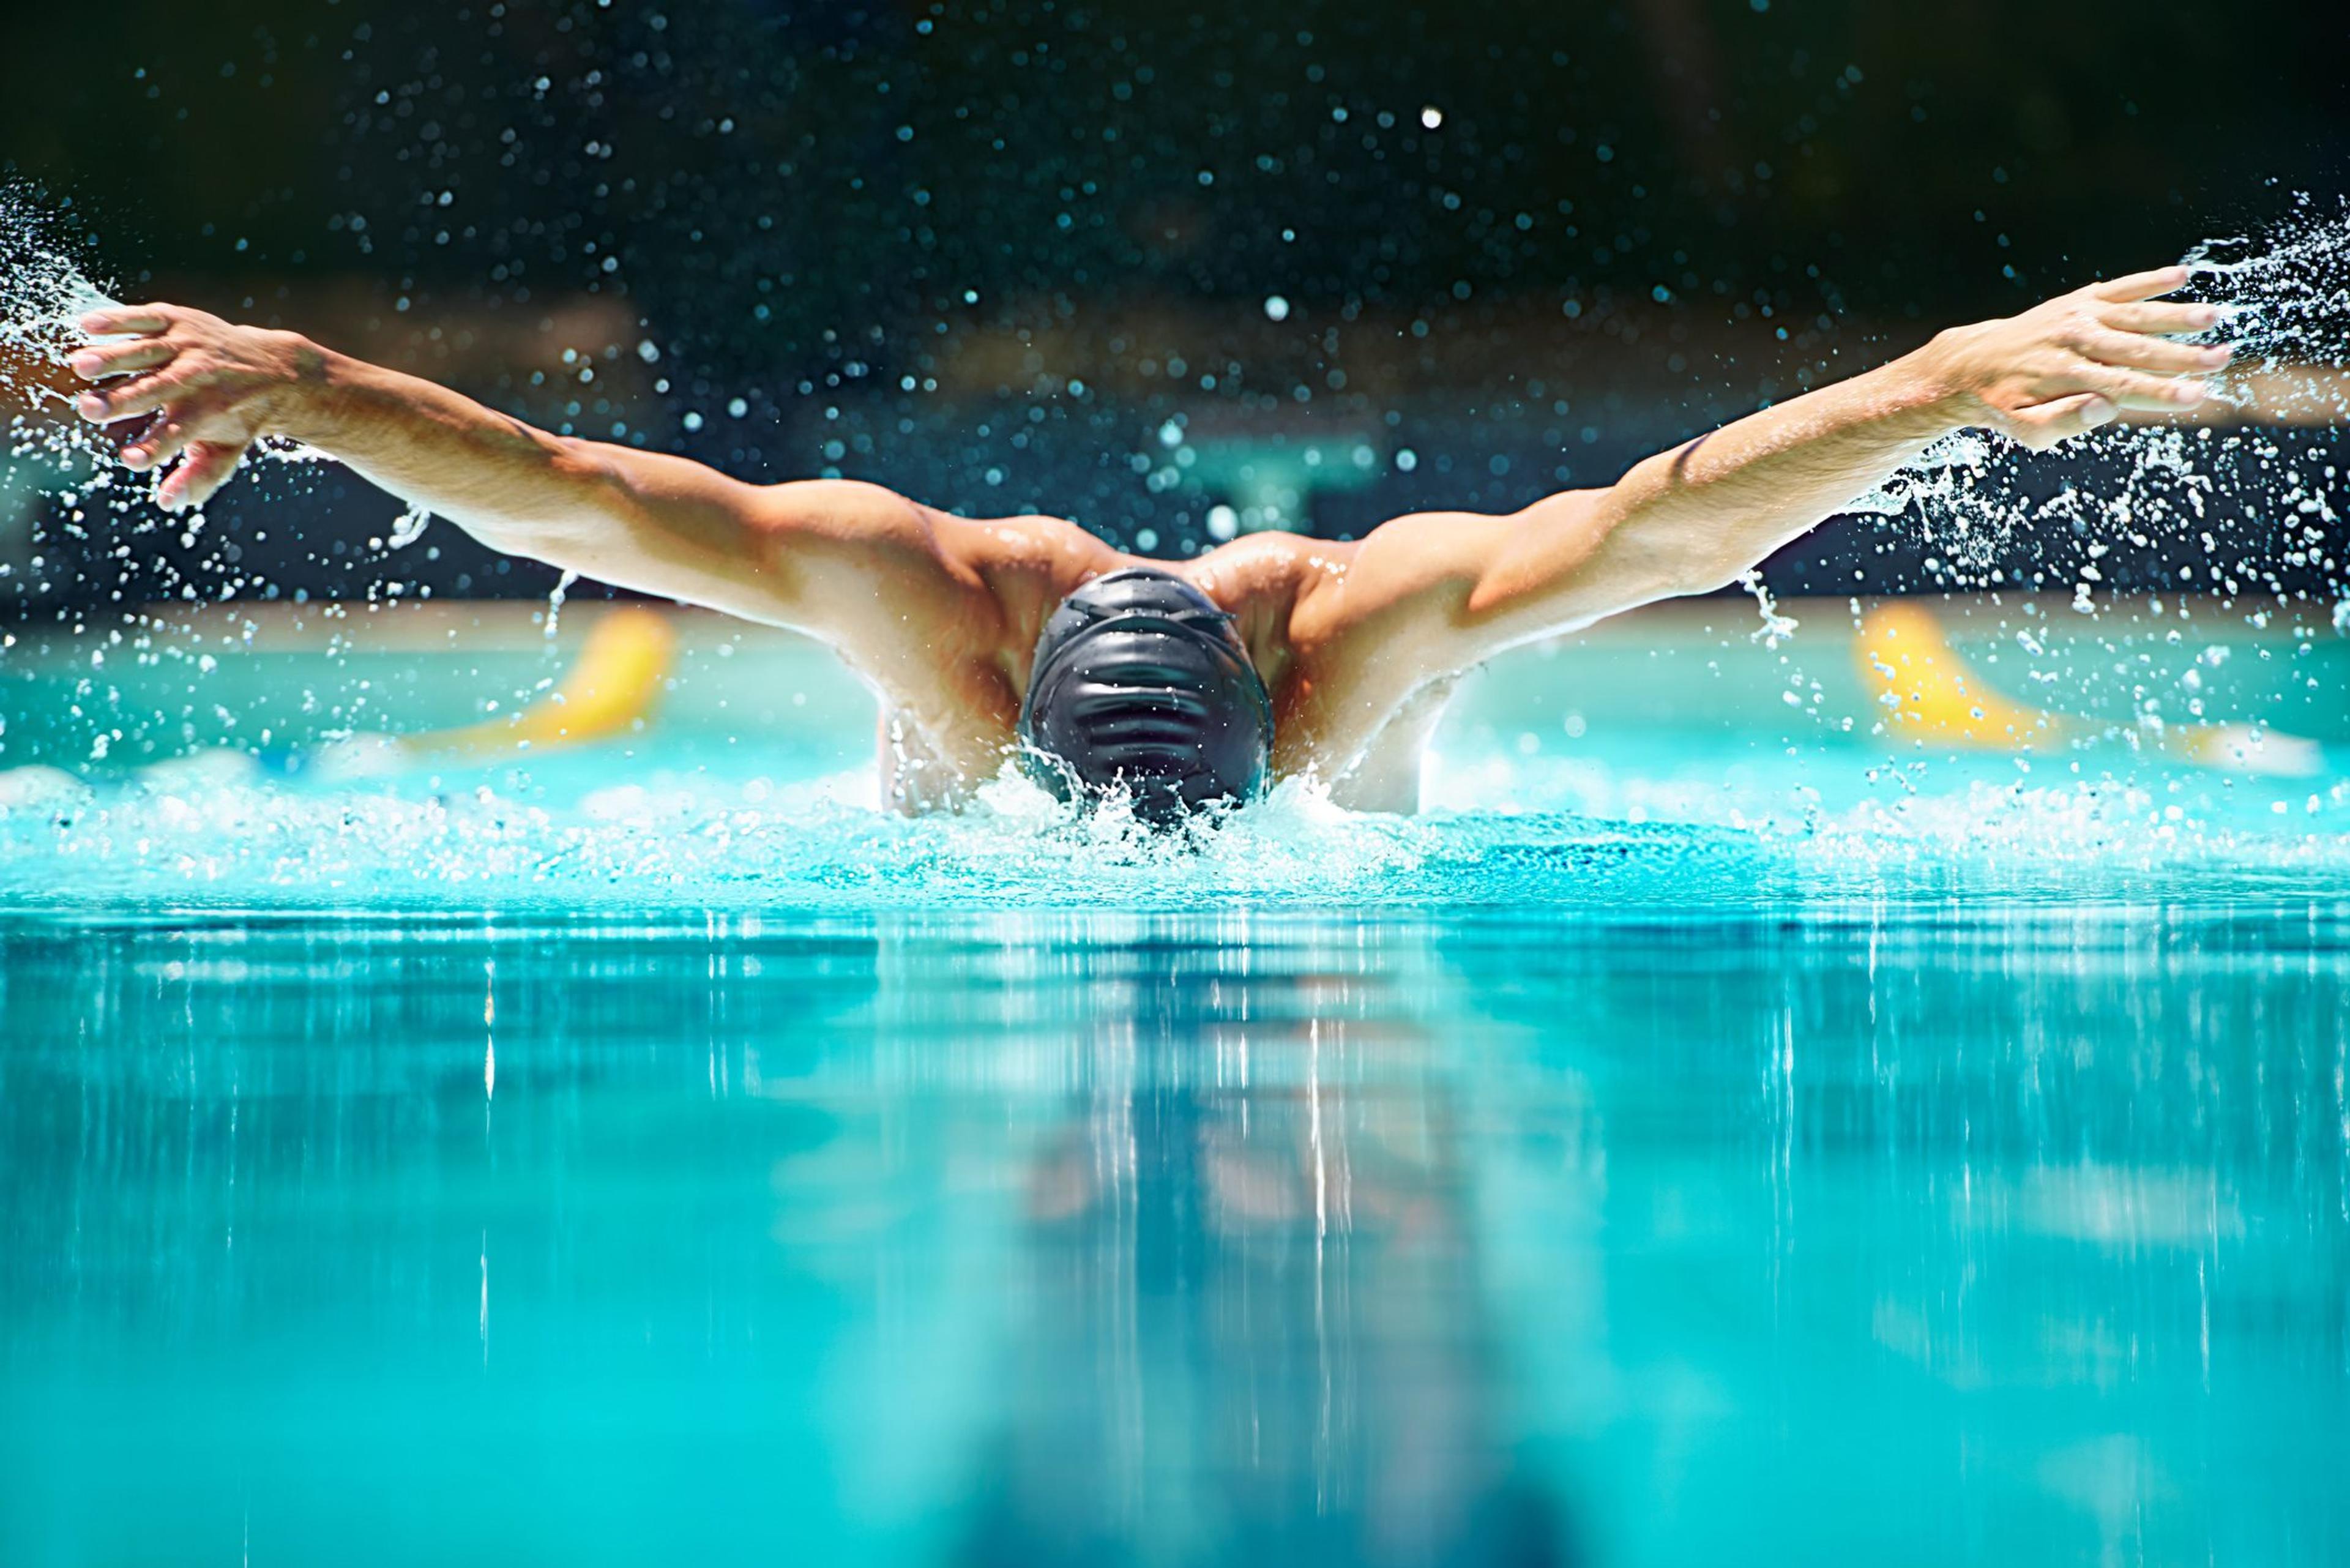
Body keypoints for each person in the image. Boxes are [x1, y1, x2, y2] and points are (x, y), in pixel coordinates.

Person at [68, 267, 2228, 819]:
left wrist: (1937, 382)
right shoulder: (924, 599)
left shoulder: (1368, 626)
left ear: (1280, 720)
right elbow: (583, 485)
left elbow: (1658, 523)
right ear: (1007, 709)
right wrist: (318, 384)